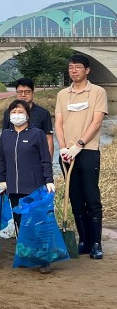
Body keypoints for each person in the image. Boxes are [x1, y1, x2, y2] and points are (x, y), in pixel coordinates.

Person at [55, 53, 108, 260]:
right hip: (67, 153)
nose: (74, 70)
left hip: (87, 152)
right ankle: (83, 240)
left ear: (87, 70)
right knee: (75, 198)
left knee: (91, 197)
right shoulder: (62, 95)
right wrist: (62, 148)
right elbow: (58, 123)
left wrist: (79, 144)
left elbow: (96, 122)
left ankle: (96, 243)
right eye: (71, 67)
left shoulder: (97, 92)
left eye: (78, 67)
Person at [0, 99, 55, 273]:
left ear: (28, 115)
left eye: (20, 111)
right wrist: (2, 180)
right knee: (20, 223)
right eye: (13, 112)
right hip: (13, 187)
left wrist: (49, 180)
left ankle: (43, 259)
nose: (16, 115)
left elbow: (45, 159)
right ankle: (25, 255)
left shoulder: (36, 134)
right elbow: (1, 159)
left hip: (34, 186)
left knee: (36, 222)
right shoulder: (6, 135)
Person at [2, 77, 54, 157]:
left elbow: (49, 138)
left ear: (33, 92)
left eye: (27, 92)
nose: (23, 95)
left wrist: (48, 162)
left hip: (37, 157)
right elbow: (4, 137)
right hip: (14, 157)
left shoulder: (43, 113)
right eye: (20, 92)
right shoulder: (8, 113)